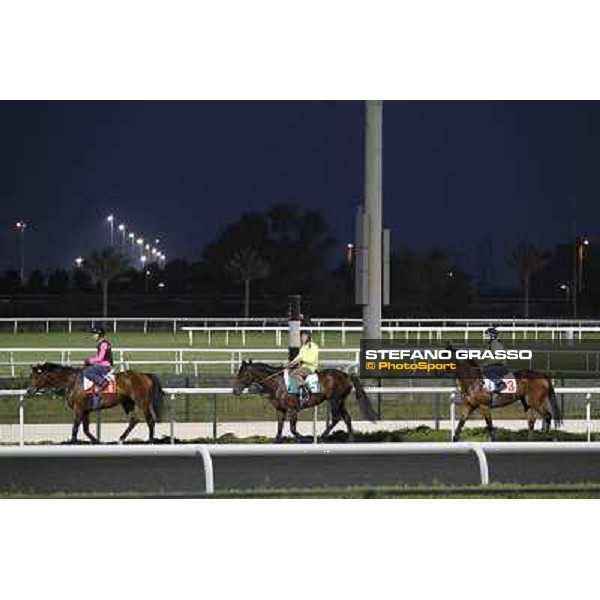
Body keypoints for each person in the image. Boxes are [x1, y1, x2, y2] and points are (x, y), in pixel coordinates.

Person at [83, 326, 114, 408]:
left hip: (105, 366)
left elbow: (100, 358)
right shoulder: (102, 343)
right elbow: (99, 358)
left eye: (94, 334)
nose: (93, 336)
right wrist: (92, 362)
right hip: (103, 365)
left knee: (86, 372)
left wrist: (89, 361)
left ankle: (103, 382)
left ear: (99, 335)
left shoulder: (103, 344)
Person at [288, 330, 319, 406]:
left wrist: (302, 360)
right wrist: (292, 363)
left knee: (293, 374)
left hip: (311, 368)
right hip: (303, 367)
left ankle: (305, 389)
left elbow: (313, 360)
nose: (302, 338)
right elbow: (299, 357)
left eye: (304, 336)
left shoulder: (314, 347)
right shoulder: (303, 347)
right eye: (302, 336)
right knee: (290, 372)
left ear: (308, 337)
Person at [481, 326, 507, 392]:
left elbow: (499, 359)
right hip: (495, 366)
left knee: (486, 370)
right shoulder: (491, 345)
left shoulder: (497, 345)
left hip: (500, 367)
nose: (485, 338)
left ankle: (500, 383)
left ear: (492, 336)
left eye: (487, 336)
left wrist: (487, 363)